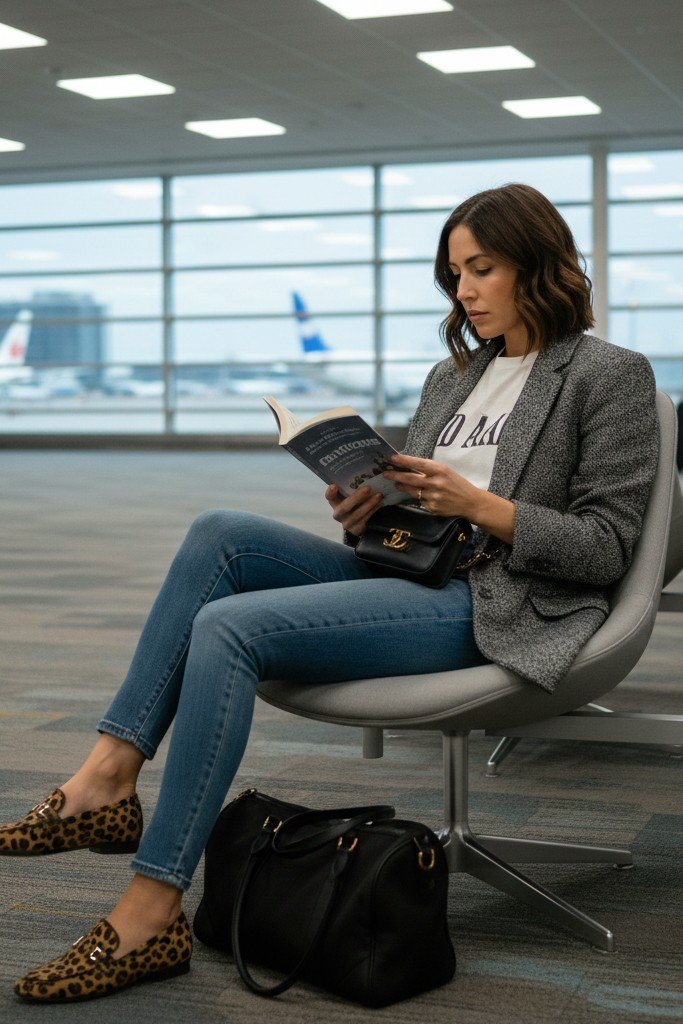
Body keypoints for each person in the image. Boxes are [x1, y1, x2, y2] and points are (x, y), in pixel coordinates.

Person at [1, 183, 659, 1003]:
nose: (463, 292)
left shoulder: (609, 375)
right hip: (412, 570)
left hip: (495, 602)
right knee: (219, 532)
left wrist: (480, 508)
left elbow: (606, 548)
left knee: (229, 629)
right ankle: (107, 773)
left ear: (539, 263)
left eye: (481, 270)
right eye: (453, 274)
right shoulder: (453, 377)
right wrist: (366, 506)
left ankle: (151, 907)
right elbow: (416, 512)